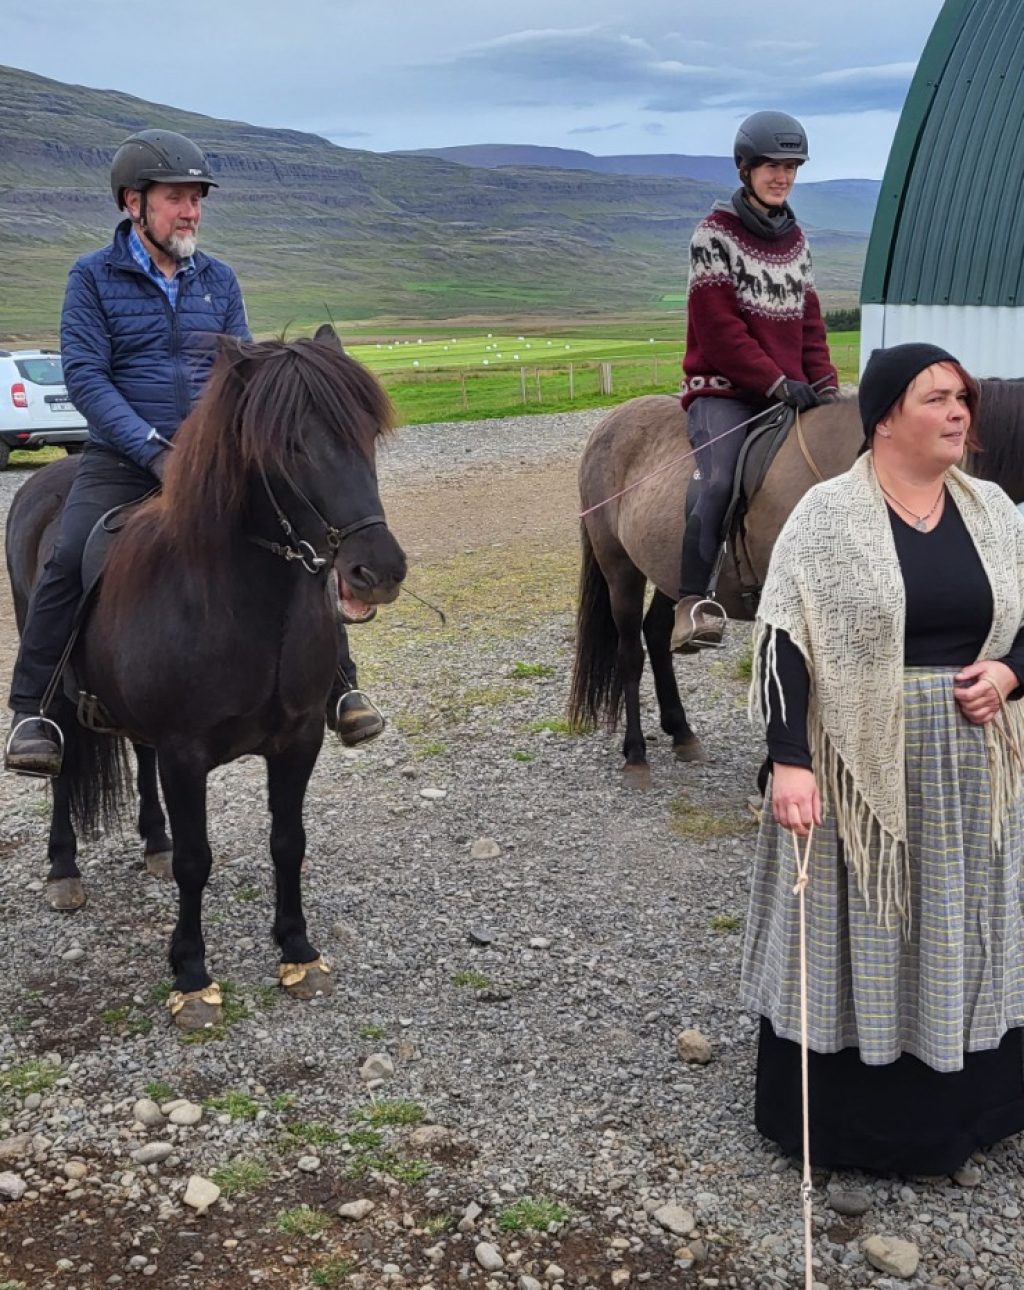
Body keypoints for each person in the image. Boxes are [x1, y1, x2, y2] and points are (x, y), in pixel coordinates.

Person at [5, 129, 382, 777]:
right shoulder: (92, 278)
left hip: (212, 459)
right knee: (69, 555)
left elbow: (239, 375)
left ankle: (340, 683)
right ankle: (33, 708)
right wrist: (153, 451)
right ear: (133, 203)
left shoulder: (218, 280)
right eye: (176, 198)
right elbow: (88, 378)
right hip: (124, 459)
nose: (191, 212)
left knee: (302, 536)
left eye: (196, 199)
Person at [741, 342, 1024, 1175]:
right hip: (853, 763)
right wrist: (789, 759)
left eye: (963, 398)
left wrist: (1011, 672)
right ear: (887, 417)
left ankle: (973, 1104)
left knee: (959, 923)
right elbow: (785, 639)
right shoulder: (827, 516)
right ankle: (850, 1124)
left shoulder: (996, 512)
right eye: (937, 398)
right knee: (859, 926)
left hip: (972, 764)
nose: (960, 412)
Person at [673, 110, 839, 653]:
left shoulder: (796, 240)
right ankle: (691, 601)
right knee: (719, 479)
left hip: (788, 390)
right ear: (745, 168)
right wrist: (773, 383)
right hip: (724, 390)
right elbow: (719, 330)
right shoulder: (713, 235)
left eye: (791, 167)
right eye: (772, 165)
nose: (782, 176)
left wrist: (826, 386)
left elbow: (810, 323)